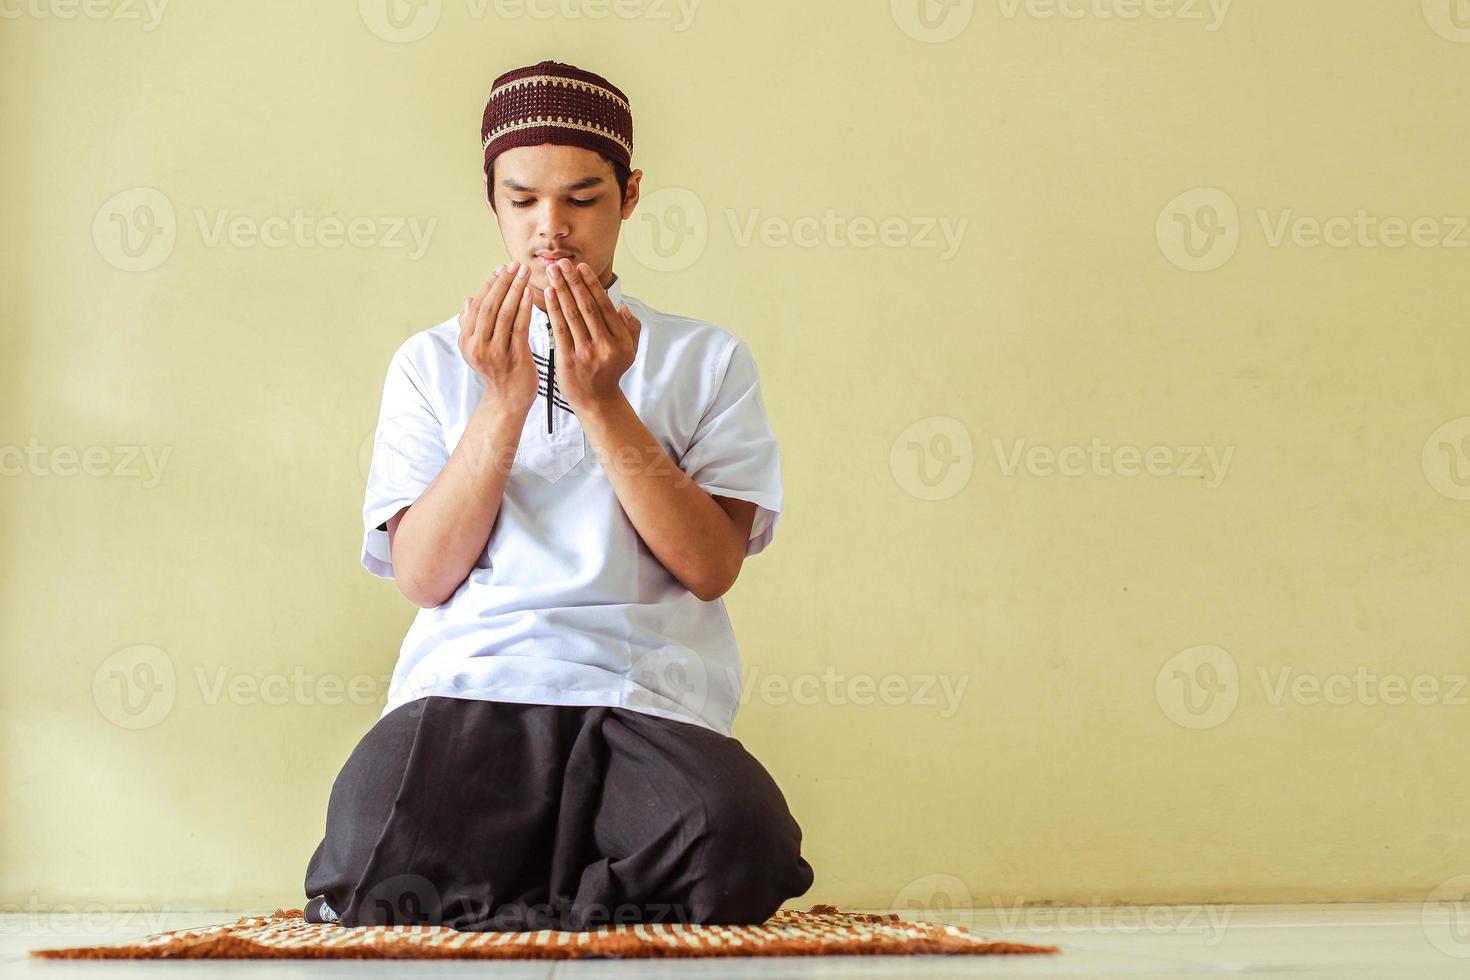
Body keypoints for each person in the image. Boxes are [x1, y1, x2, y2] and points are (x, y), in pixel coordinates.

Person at [301, 59, 815, 932]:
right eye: (524, 200)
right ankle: (575, 880)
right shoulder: (431, 362)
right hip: (471, 683)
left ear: (629, 195)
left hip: (643, 689)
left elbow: (709, 565)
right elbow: (423, 577)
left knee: (740, 854)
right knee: (366, 863)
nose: (552, 230)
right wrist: (501, 401)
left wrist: (604, 399)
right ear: (492, 200)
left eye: (583, 199)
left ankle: (519, 879)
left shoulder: (706, 358)